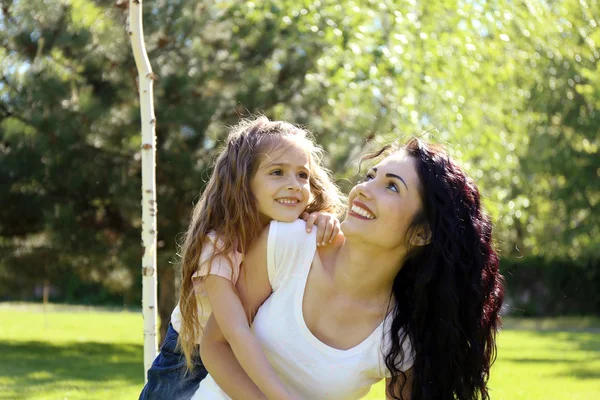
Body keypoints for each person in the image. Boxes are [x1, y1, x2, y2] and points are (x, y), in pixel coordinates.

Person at [195, 138, 505, 400]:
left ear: (420, 233)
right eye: (371, 176)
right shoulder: (289, 243)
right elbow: (215, 345)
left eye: (392, 188)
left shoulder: (400, 338)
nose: (363, 190)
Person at [139, 116, 346, 400]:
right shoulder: (219, 245)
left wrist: (323, 221)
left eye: (302, 175)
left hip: (252, 350)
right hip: (190, 359)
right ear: (244, 182)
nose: (294, 185)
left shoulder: (293, 229)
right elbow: (234, 330)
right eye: (277, 172)